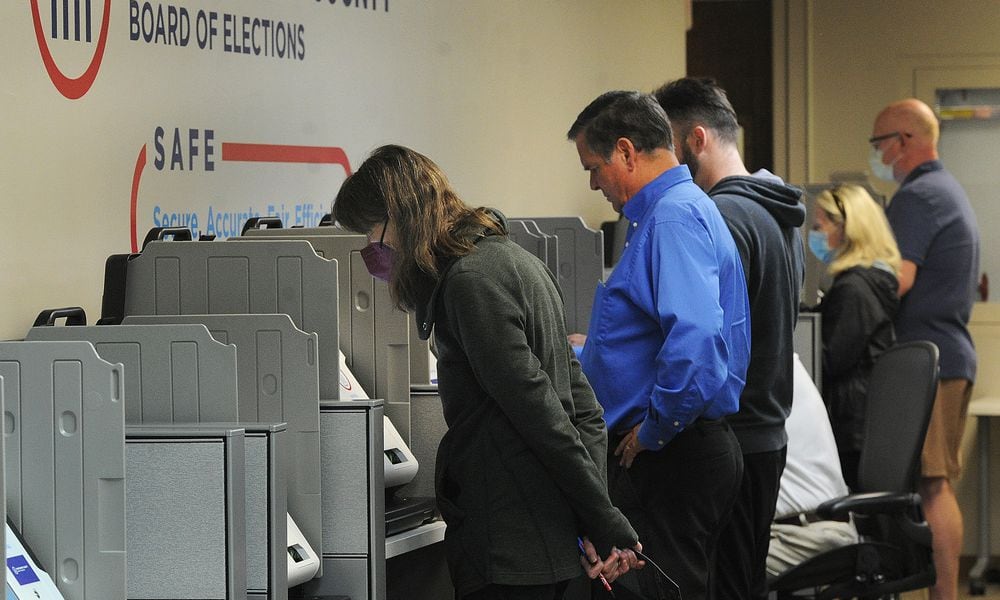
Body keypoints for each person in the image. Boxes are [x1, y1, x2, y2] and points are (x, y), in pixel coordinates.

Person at [331, 144, 642, 600]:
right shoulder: (516, 261)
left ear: (397, 218)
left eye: (370, 232)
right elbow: (584, 410)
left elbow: (541, 415)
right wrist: (592, 514)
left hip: (509, 543)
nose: (372, 250)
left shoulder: (468, 283)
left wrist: (602, 518)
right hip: (546, 537)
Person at [567, 90, 750, 600]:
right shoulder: (677, 211)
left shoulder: (671, 218)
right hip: (682, 447)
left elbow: (694, 341)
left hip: (671, 451)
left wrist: (654, 429)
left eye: (594, 166)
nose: (593, 182)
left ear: (625, 152)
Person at [653, 77, 806, 600]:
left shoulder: (723, 216)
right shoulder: (778, 211)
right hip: (766, 434)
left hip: (734, 436)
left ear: (696, 140)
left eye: (666, 148)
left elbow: (703, 338)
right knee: (742, 582)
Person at [870, 98, 980, 600]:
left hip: (930, 359)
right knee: (936, 485)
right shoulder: (944, 189)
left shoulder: (919, 196)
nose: (878, 155)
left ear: (905, 142)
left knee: (933, 487)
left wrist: (854, 282)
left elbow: (900, 279)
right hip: (947, 353)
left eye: (880, 144)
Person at [808, 184, 900, 489]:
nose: (815, 234)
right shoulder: (874, 281)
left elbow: (829, 359)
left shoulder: (854, 290)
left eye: (820, 225)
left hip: (851, 425)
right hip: (868, 418)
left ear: (847, 229)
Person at [766, 354, 856, 578]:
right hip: (800, 527)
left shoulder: (762, 369)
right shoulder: (778, 359)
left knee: (697, 567)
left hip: (807, 534)